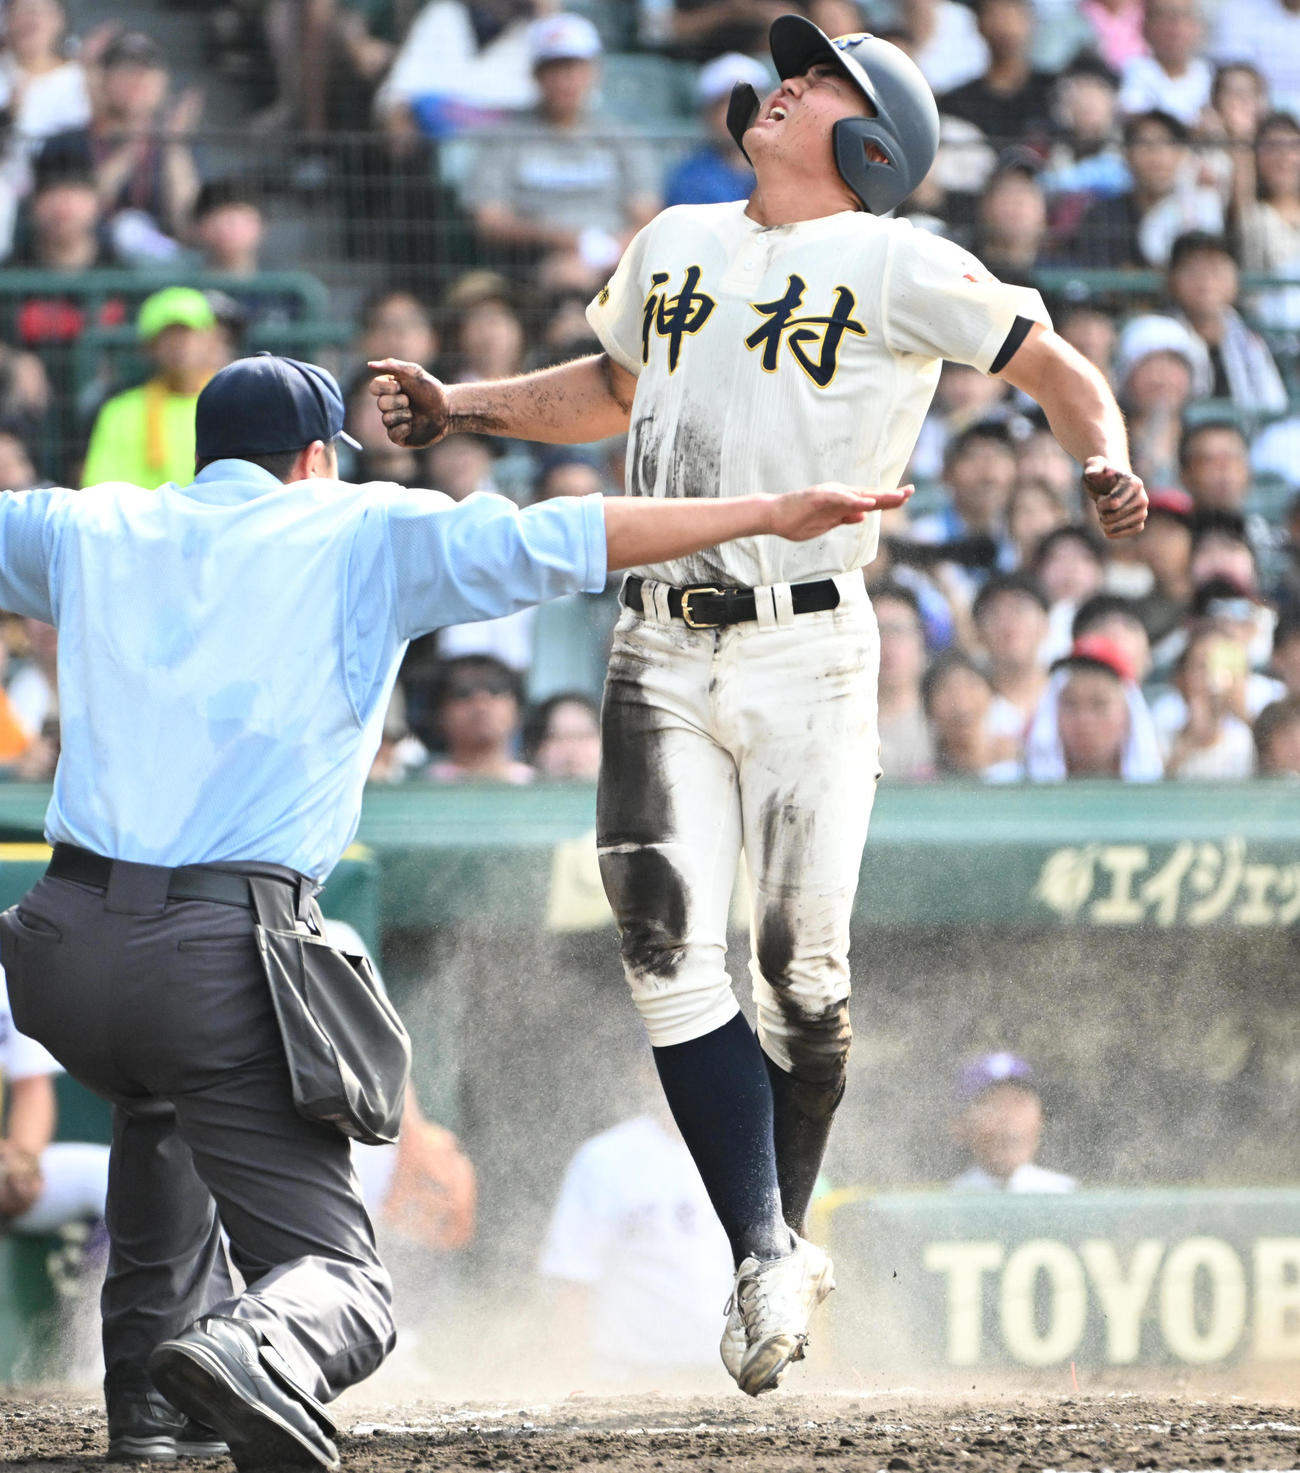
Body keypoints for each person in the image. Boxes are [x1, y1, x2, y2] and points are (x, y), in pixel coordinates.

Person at [370, 14, 1147, 1398]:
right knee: (666, 953)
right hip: (658, 638)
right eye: (795, 66)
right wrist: (462, 406)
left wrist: (1105, 459)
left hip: (811, 643)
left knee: (805, 981)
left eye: (825, 78)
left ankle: (777, 1231)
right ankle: (765, 1252)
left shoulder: (899, 258)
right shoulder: (675, 235)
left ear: (873, 144)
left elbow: (1055, 368)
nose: (788, 82)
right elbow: (611, 389)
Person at [0, 352, 879, 1467]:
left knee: (158, 1114)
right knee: (345, 1286)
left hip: (60, 949)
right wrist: (768, 511)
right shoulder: (361, 526)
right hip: (213, 947)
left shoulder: (87, 524)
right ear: (313, 458)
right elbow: (572, 534)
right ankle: (258, 1342)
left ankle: (148, 1414)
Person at [463, 14, 661, 290]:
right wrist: (566, 240)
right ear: (535, 74)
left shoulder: (620, 137)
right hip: (528, 263)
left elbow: (646, 215)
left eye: (573, 67)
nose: (564, 79)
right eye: (553, 69)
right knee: (568, 276)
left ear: (593, 72)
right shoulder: (505, 138)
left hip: (615, 262)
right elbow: (490, 221)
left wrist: (609, 250)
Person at [1, 961, 110, 1237]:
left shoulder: (6, 981)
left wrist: (21, 1164)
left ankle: (107, 1262)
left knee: (109, 1177)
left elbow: (31, 1087)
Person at [80, 287, 224, 490]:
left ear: (211, 341)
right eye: (167, 335)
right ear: (148, 347)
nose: (179, 344)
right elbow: (102, 490)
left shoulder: (230, 406)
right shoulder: (120, 412)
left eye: (188, 333)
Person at [949, 1052, 1076, 1193]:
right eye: (994, 1105)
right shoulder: (949, 1200)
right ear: (959, 1126)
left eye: (1018, 1102)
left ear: (1040, 1118)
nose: (1008, 1120)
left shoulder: (1068, 1196)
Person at [665, 53, 769, 208]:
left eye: (752, 101)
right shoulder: (692, 178)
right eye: (728, 104)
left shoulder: (785, 163)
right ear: (708, 115)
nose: (742, 112)